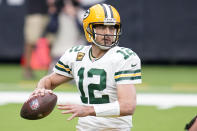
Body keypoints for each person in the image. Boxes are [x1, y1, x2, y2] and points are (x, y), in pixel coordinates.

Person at [31, 3, 142, 130]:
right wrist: (40, 89)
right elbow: (49, 80)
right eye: (101, 27)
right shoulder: (76, 54)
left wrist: (88, 110)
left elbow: (128, 106)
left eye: (112, 28)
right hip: (84, 128)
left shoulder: (124, 57)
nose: (108, 33)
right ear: (88, 29)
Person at [23, 0, 50, 79]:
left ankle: (51, 70)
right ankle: (27, 70)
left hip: (49, 12)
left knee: (51, 42)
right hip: (34, 12)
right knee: (30, 42)